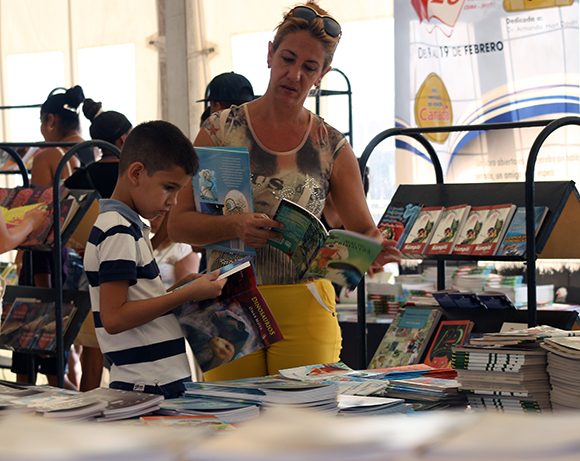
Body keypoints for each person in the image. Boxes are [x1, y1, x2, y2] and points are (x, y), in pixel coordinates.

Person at [168, 1, 401, 381]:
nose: (294, 75)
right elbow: (178, 227)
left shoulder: (333, 147)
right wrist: (235, 227)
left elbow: (363, 230)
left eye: (309, 67)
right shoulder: (219, 131)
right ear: (270, 54)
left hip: (305, 306)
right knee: (234, 429)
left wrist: (375, 249)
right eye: (287, 59)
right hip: (227, 304)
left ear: (322, 74)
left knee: (305, 430)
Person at [83, 120, 226, 398]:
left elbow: (136, 303)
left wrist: (180, 288)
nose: (173, 202)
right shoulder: (117, 230)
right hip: (148, 384)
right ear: (136, 172)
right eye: (169, 188)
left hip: (156, 380)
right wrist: (182, 296)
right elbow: (114, 318)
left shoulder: (127, 226)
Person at [12, 85, 86, 389]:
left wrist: (20, 251)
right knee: (61, 351)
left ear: (50, 120)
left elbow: (40, 217)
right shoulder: (87, 150)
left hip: (43, 258)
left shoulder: (46, 155)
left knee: (29, 354)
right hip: (72, 256)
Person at [64, 98, 133, 391]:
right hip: (126, 266)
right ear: (122, 139)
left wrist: (81, 244)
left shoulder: (79, 177)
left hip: (88, 267)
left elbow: (61, 218)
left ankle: (86, 416)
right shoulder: (134, 176)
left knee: (93, 349)